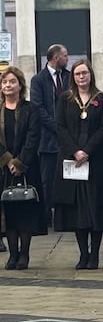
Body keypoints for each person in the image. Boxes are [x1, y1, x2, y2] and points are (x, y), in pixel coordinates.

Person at [53, 59, 103, 270]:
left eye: (85, 73)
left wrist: (87, 150)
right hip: (72, 160)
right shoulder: (65, 99)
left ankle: (95, 255)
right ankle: (83, 254)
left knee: (95, 207)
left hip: (96, 160)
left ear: (91, 75)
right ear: (73, 77)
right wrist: (75, 151)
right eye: (78, 74)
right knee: (77, 210)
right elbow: (60, 127)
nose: (81, 77)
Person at [0, 66, 47, 270]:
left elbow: (33, 137)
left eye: (12, 82)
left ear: (20, 85)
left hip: (27, 167)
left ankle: (24, 255)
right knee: (9, 212)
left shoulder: (31, 109)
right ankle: (12, 255)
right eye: (4, 82)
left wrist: (20, 163)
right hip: (3, 168)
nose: (8, 85)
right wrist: (8, 161)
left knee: (25, 211)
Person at [29, 43, 70, 224]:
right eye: (65, 56)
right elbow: (38, 109)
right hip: (48, 140)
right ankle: (46, 215)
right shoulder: (38, 80)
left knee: (68, 178)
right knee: (47, 179)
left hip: (69, 139)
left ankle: (67, 214)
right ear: (56, 58)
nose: (67, 59)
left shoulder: (69, 77)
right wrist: (57, 128)